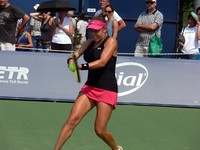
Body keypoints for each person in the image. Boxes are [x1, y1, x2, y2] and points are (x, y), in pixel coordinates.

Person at [54, 15, 123, 150]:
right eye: (91, 30)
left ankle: (116, 148)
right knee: (72, 120)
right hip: (89, 88)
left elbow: (102, 62)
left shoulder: (111, 42)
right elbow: (73, 56)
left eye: (96, 30)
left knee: (100, 130)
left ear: (104, 29)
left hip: (107, 89)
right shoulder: (88, 43)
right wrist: (71, 61)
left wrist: (81, 67)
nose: (93, 33)